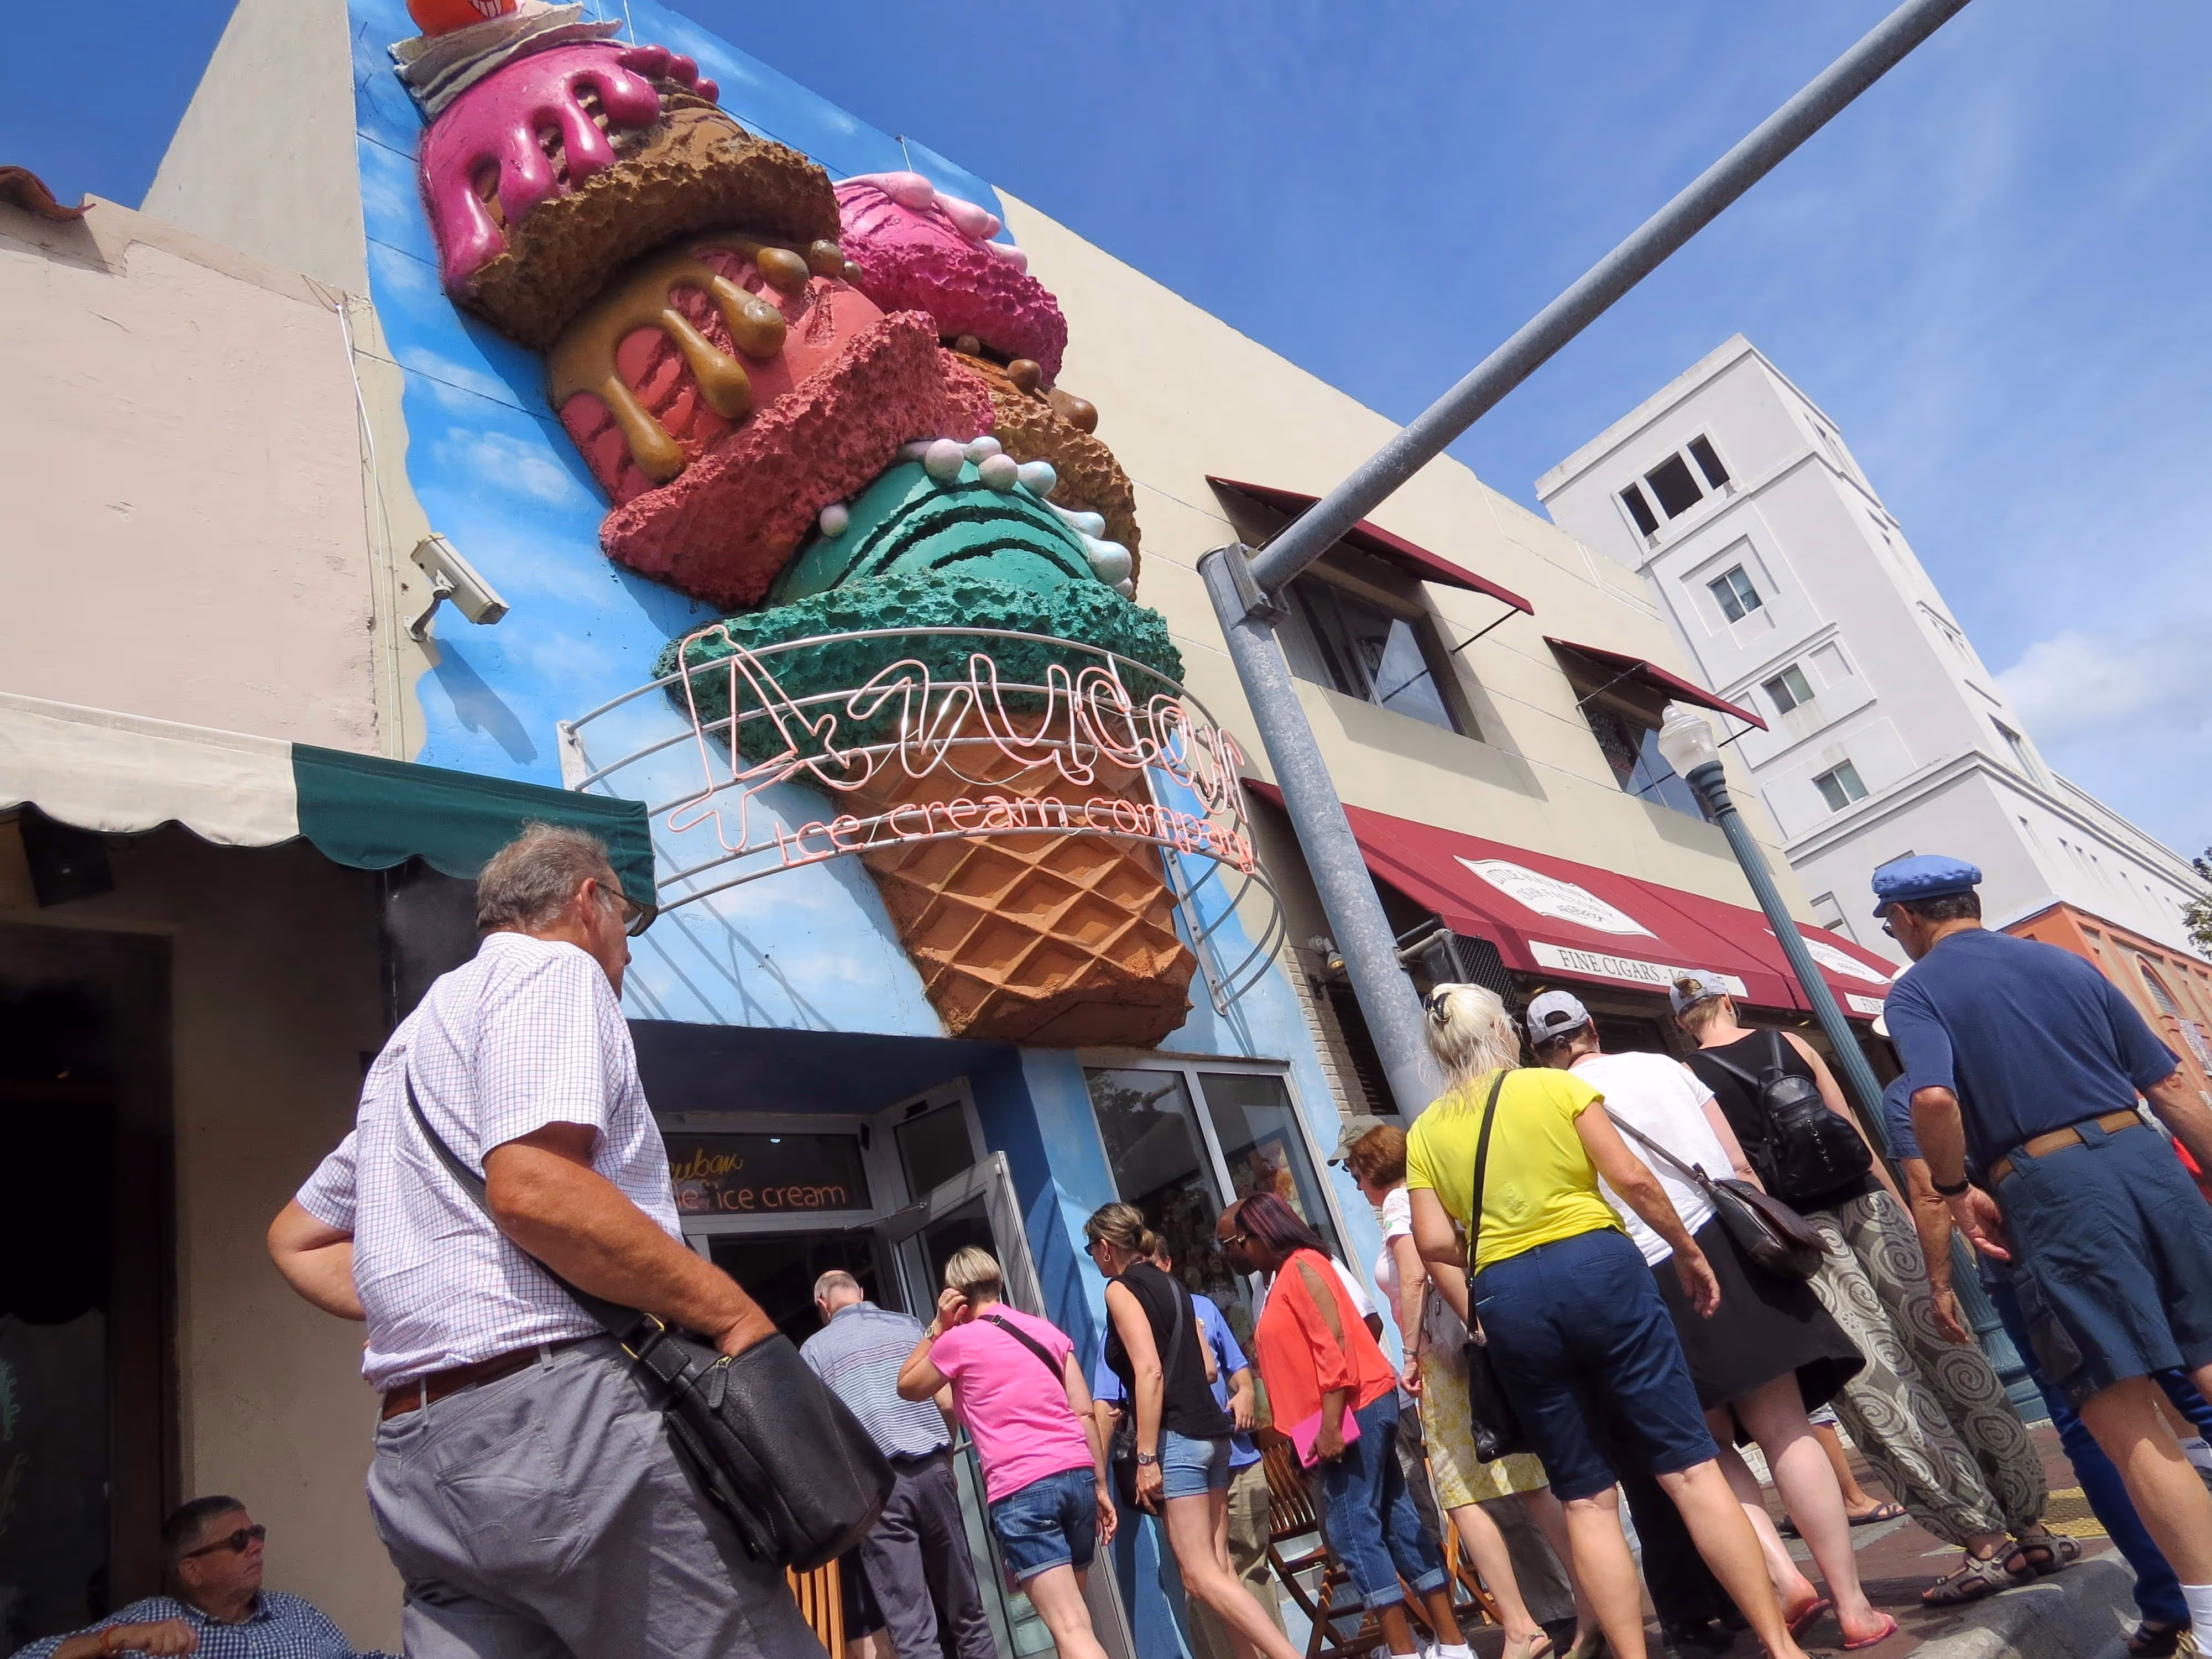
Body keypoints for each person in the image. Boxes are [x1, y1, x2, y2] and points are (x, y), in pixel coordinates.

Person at [265, 825, 820, 1659]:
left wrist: (438, 1294)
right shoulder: (554, 970)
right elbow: (534, 1189)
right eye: (629, 921)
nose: (627, 950)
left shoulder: (410, 1049)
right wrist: (736, 1316)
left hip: (420, 1459)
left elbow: (297, 1240)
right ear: (590, 902)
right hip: (561, 1426)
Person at [1404, 982, 1820, 1659]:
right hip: (1598, 1268)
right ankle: (1781, 1646)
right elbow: (1631, 1178)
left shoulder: (1426, 1131)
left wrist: (1496, 1246)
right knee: (1690, 1467)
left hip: (1510, 1296)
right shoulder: (1556, 1088)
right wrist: (1687, 1250)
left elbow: (1430, 1241)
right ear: (1503, 1033)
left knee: (1585, 1498)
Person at [1877, 853, 2212, 1651]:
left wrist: (1955, 1189)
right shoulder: (2065, 964)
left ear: (1909, 918)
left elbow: (1932, 1097)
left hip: (2052, 1189)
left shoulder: (1918, 989)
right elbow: (2169, 1087)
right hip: (2147, 1160)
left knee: (2122, 1414)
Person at [1674, 966, 2053, 1605]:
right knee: (1950, 1353)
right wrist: (1906, 1214)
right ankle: (2032, 1525)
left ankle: (1984, 1542)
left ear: (1681, 1024)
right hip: (1871, 1207)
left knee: (1877, 1384)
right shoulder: (1791, 1044)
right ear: (1729, 1001)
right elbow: (1847, 1127)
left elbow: (1735, 1173)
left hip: (1804, 1234)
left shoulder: (1689, 1077)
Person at [1526, 993, 1890, 1650]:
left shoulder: (1551, 1103)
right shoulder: (1665, 1067)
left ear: (1537, 1053)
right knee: (1784, 1427)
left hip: (1642, 1273)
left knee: (1707, 1448)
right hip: (1721, 1244)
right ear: (1592, 1027)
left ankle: (1783, 1579)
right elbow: (1737, 1165)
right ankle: (1854, 1605)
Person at [1338, 1118, 1598, 1659]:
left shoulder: (1399, 1204)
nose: (1355, 1185)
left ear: (1371, 1166)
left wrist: (1410, 1353)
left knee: (1459, 1494)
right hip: (1483, 1347)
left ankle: (1521, 1625)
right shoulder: (1435, 1192)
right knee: (1529, 1478)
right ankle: (1593, 1601)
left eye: (1354, 1172)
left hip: (1446, 1362)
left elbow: (1416, 1274)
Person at [1221, 1192, 1472, 1659]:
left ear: (1262, 1233)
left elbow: (1332, 1346)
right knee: (1394, 1517)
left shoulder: (1302, 1266)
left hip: (1350, 1410)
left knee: (1352, 1528)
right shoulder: (1281, 1277)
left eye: (1237, 1242)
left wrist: (1332, 1426)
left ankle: (1403, 1650)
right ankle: (1452, 1646)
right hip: (1339, 1413)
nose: (1237, 1253)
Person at [1083, 1204, 1303, 1659]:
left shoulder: (1120, 1289)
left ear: (1105, 1247)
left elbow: (1149, 1371)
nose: (1094, 1258)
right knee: (1221, 1569)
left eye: (1091, 1250)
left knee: (1199, 1575)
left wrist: (1146, 1457)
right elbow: (1208, 1368)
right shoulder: (1172, 1285)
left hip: (1178, 1439)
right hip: (1214, 1436)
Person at [896, 1247, 1116, 1659]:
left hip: (1022, 1489)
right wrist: (1101, 1486)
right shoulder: (1045, 1332)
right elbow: (1085, 1413)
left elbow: (907, 1385)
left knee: (1070, 1628)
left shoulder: (957, 1342)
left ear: (956, 1296)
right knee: (1075, 1626)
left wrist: (937, 1328)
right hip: (1078, 1478)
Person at [802, 1269, 998, 1659]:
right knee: (968, 1612)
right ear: (861, 1292)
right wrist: (946, 1463)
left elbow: (817, 1436)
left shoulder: (813, 1351)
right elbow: (946, 1403)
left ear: (822, 1304)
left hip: (878, 1491)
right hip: (932, 1468)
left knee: (913, 1629)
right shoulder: (910, 1327)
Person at [18, 1497, 389, 1659]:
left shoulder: (297, 1612)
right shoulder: (150, 1620)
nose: (257, 1546)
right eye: (239, 1540)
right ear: (193, 1571)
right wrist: (116, 1638)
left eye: (257, 1533)